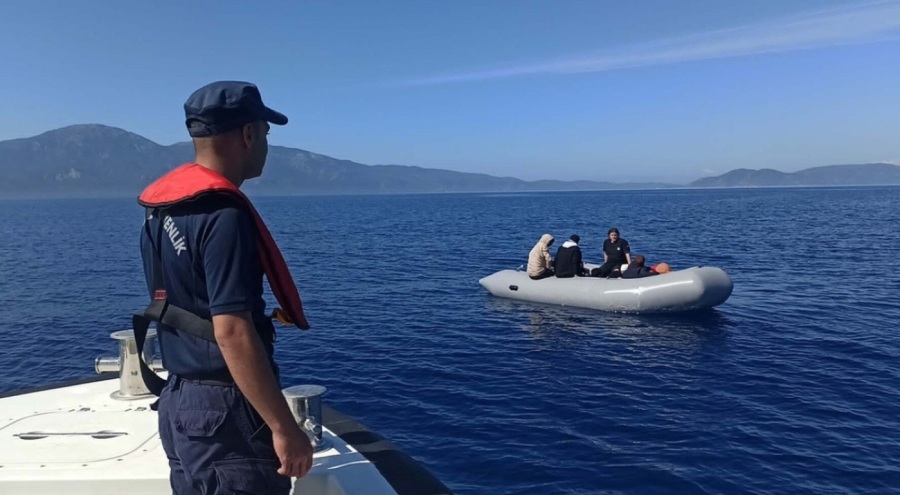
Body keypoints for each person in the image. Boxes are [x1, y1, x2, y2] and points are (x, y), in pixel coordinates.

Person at [136, 81, 313, 494]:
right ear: (249, 134)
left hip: (178, 401)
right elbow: (231, 331)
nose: (266, 145)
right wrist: (284, 428)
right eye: (266, 134)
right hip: (224, 413)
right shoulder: (223, 215)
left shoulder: (160, 212)